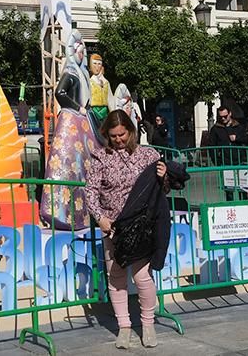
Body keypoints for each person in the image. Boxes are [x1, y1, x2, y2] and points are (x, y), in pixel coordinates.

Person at [85, 110, 168, 349]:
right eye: (113, 136)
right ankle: (124, 327)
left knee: (142, 277)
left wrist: (163, 177)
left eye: (122, 134)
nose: (118, 140)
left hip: (141, 226)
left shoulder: (148, 154)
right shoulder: (100, 157)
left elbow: (161, 192)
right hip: (112, 227)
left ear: (131, 131)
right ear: (106, 135)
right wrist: (99, 217)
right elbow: (90, 191)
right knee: (117, 277)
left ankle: (148, 324)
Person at [41, 31, 100, 230]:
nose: (82, 55)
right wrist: (77, 108)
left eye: (83, 52)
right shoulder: (71, 73)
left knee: (81, 168)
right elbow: (60, 93)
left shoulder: (80, 74)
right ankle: (60, 210)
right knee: (67, 166)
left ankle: (81, 213)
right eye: (79, 52)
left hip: (80, 124)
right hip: (72, 124)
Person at [205, 106, 248, 201]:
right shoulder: (216, 129)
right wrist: (217, 161)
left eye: (225, 116)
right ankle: (231, 209)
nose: (223, 118)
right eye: (221, 117)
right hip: (225, 163)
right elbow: (211, 147)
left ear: (230, 114)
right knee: (229, 190)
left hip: (240, 162)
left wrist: (237, 139)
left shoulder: (238, 126)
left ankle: (244, 209)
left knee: (243, 189)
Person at [87, 54, 114, 134]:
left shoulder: (106, 82)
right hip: (93, 110)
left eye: (99, 64)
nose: (97, 66)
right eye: (94, 64)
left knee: (105, 131)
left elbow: (110, 99)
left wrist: (113, 113)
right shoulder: (89, 82)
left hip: (105, 111)